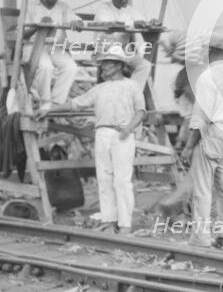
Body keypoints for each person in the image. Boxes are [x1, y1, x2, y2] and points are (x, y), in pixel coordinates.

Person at [40, 45, 145, 234]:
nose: (104, 67)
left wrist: (129, 129)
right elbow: (74, 104)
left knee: (122, 180)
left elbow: (140, 111)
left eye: (108, 63)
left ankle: (125, 224)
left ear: (120, 65)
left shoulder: (132, 86)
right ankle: (108, 220)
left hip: (123, 134)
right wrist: (49, 110)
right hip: (103, 133)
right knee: (104, 179)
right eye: (103, 63)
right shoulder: (99, 89)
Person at [180, 34, 223, 248]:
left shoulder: (207, 77)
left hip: (212, 132)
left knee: (203, 188)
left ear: (210, 51)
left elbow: (200, 117)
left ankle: (201, 237)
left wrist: (188, 147)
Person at [23, 0, 83, 111]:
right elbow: (24, 34)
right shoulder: (32, 7)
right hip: (34, 46)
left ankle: (56, 103)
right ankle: (44, 101)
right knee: (46, 67)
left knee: (71, 67)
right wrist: (37, 25)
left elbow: (76, 20)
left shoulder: (63, 7)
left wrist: (77, 22)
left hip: (55, 47)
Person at [94, 0, 157, 89]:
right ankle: (121, 92)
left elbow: (142, 22)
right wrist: (133, 23)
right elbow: (110, 24)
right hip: (104, 50)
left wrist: (150, 22)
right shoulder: (103, 9)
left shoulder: (129, 10)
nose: (124, 0)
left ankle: (132, 92)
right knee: (115, 67)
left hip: (123, 51)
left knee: (144, 65)